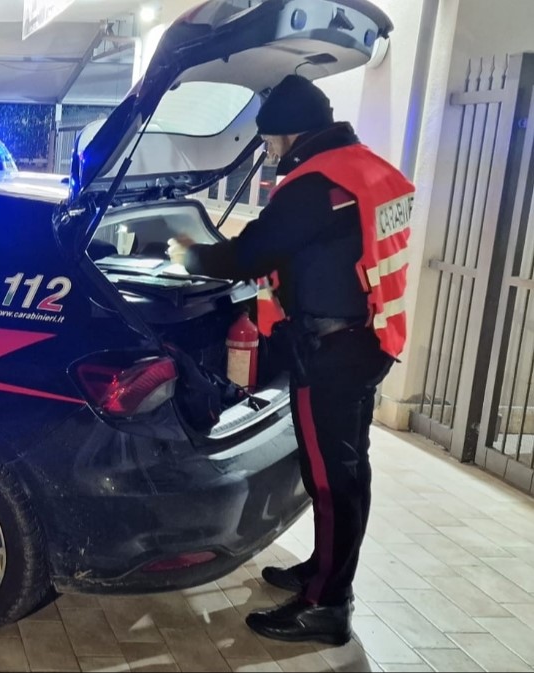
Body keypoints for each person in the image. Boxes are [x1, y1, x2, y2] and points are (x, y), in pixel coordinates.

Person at [177, 74, 415, 645]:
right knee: (348, 470)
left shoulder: (315, 183)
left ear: (289, 132)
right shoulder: (367, 168)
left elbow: (253, 251)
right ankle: (324, 573)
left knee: (332, 480)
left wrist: (186, 256)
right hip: (371, 337)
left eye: (272, 139)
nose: (270, 150)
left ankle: (326, 605)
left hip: (331, 349)